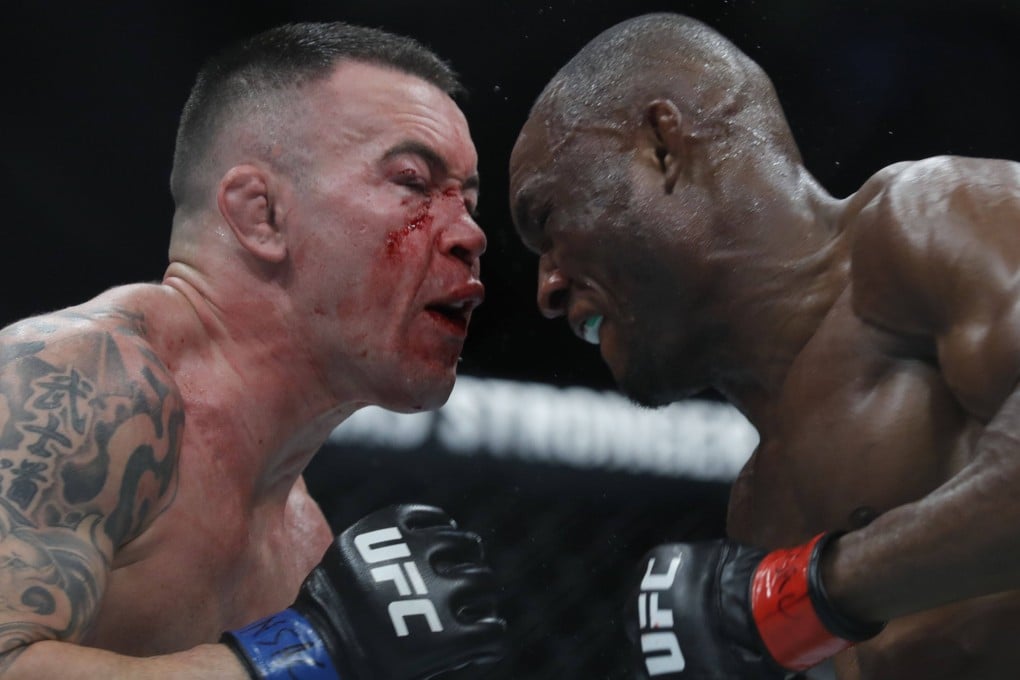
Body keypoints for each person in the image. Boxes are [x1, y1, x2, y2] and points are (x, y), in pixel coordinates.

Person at [509, 11, 1020, 680]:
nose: (547, 289)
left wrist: (808, 595)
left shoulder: (929, 218)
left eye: (548, 220)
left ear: (662, 146)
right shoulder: (758, 515)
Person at [0, 20, 506, 679]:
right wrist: (293, 656)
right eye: (412, 181)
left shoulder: (302, 546)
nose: (470, 234)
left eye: (468, 202)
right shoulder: (73, 383)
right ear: (261, 214)